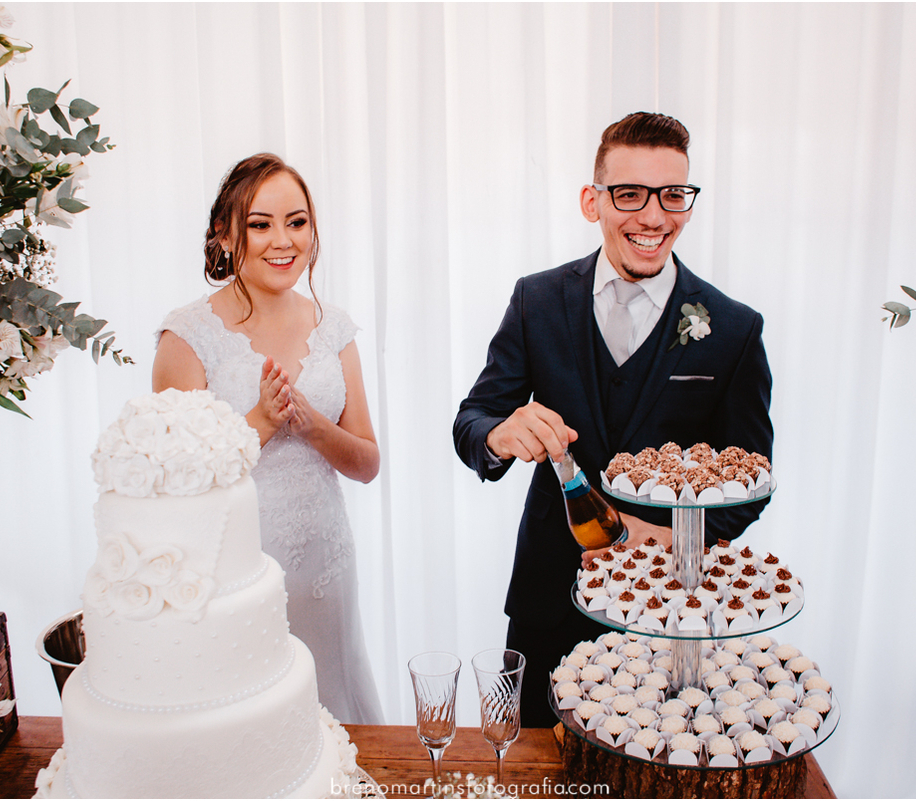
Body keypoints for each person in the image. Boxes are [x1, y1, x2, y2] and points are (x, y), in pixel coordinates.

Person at [453, 112, 772, 727]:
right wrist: (498, 433)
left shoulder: (734, 329)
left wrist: (637, 539)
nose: (653, 217)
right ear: (591, 201)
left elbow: (747, 485)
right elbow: (473, 419)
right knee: (532, 774)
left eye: (673, 194)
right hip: (547, 600)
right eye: (629, 193)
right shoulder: (536, 299)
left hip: (667, 615)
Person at [152, 153, 384, 725]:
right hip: (232, 577)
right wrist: (259, 418)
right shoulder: (187, 336)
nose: (282, 240)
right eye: (260, 224)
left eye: (297, 221)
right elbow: (173, 485)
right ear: (225, 234)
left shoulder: (334, 327)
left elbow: (367, 463)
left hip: (325, 570)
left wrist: (311, 425)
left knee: (334, 718)